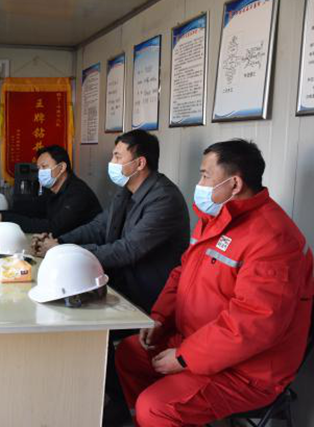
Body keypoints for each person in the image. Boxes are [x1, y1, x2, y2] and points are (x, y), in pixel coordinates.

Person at [115, 139, 313, 426]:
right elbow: (182, 273)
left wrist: (184, 358)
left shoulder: (274, 239)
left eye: (206, 176)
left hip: (247, 370)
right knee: (130, 352)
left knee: (156, 408)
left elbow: (252, 324)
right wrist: (159, 318)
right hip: (196, 342)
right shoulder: (216, 218)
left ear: (234, 184)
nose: (200, 184)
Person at [33, 131, 190, 313]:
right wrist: (59, 242)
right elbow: (99, 227)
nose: (111, 162)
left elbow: (127, 249)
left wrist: (66, 252)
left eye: (117, 157)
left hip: (147, 298)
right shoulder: (126, 190)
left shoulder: (164, 199)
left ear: (140, 163)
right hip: (119, 285)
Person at [0, 145, 102, 238]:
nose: (40, 172)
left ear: (61, 168)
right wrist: (0, 214)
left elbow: (53, 228)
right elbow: (32, 209)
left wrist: (5, 219)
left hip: (86, 250)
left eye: (44, 167)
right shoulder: (52, 188)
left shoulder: (78, 193)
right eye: (39, 168)